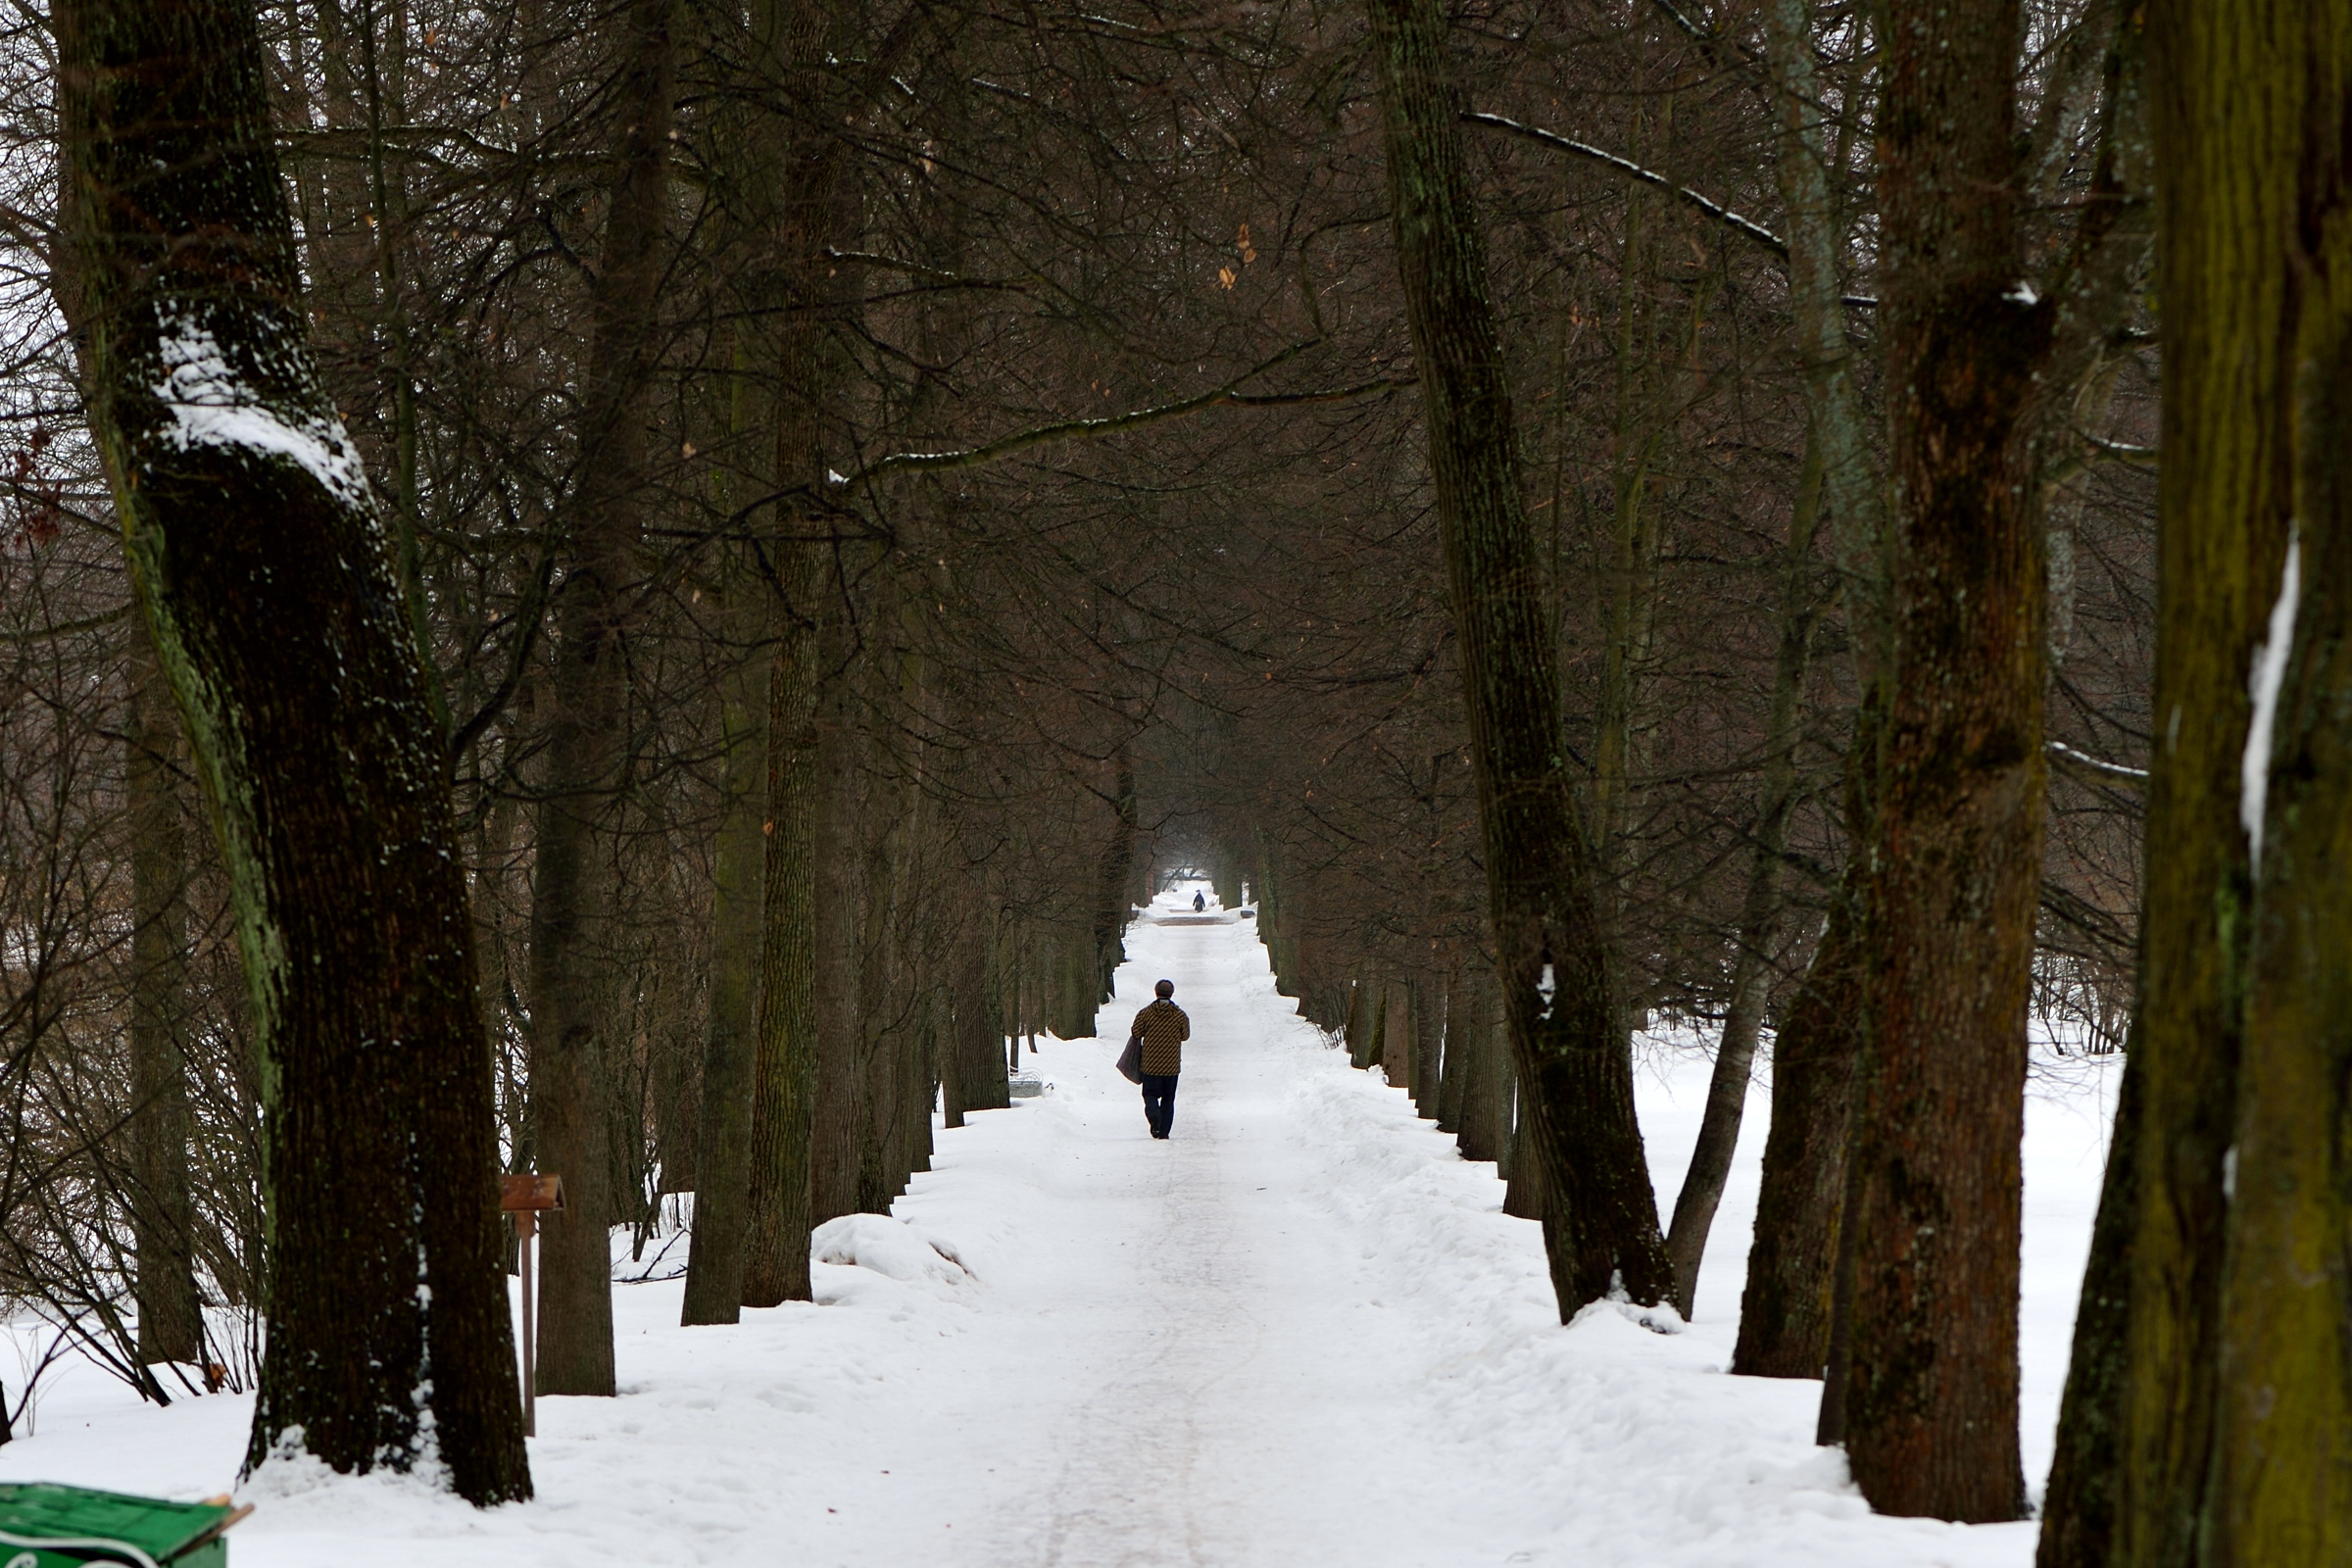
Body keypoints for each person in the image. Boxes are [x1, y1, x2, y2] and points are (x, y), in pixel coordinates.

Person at [1127, 978, 1189, 1139]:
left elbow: (1136, 1032)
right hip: (1171, 1066)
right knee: (1168, 1099)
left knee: (1150, 1094)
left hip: (1150, 1065)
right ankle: (1164, 1132)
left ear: (1156, 992)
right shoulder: (1180, 1015)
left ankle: (1154, 1115)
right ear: (1171, 994)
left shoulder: (1145, 1013)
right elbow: (1185, 1036)